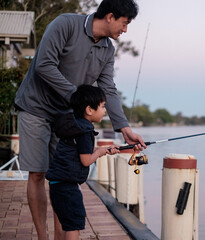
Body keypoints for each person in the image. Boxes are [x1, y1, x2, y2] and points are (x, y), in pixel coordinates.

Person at [14, 0, 146, 239]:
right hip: (36, 106)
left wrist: (124, 127)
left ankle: (58, 237)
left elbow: (107, 87)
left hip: (66, 115)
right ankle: (42, 237)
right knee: (38, 172)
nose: (125, 30)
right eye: (124, 23)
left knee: (62, 178)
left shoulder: (108, 49)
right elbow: (44, 65)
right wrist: (76, 97)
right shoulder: (65, 25)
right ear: (109, 16)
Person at [46, 85, 118, 239]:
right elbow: (85, 161)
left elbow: (78, 151)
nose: (104, 111)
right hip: (68, 187)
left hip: (57, 184)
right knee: (74, 224)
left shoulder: (75, 126)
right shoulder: (85, 131)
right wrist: (99, 152)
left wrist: (102, 150)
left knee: (66, 222)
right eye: (102, 106)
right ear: (89, 110)